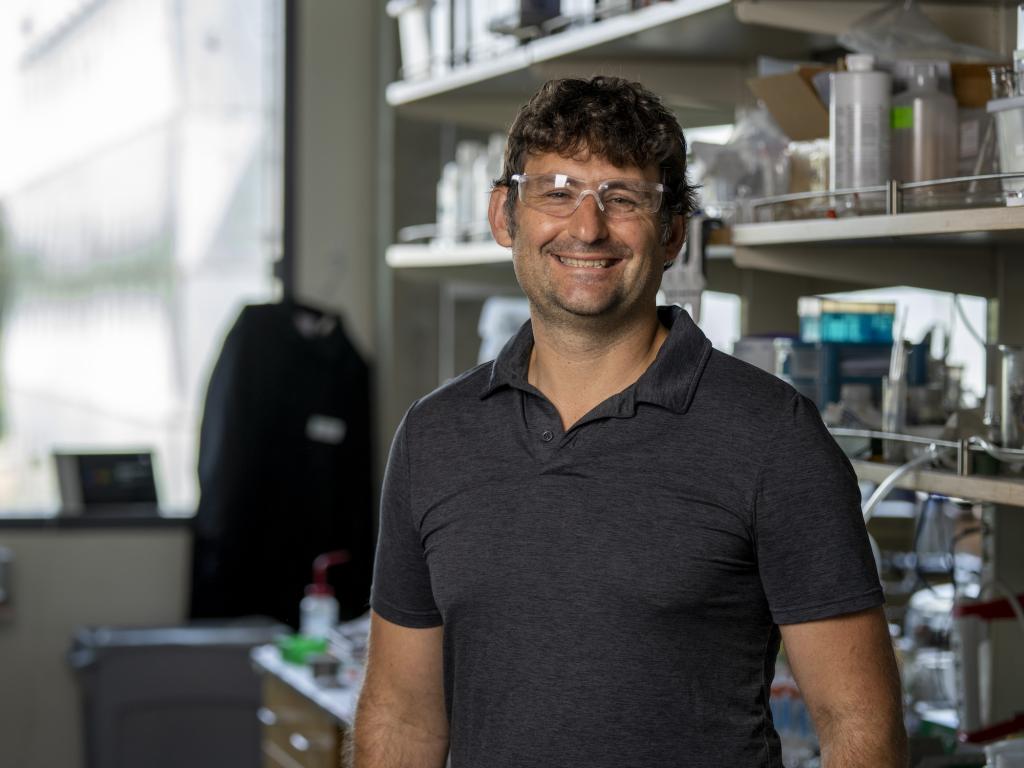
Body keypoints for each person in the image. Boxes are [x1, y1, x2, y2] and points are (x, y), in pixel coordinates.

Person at [354, 76, 907, 768]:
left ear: (673, 230)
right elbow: (403, 718)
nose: (586, 228)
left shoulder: (772, 437)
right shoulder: (435, 436)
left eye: (624, 198)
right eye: (557, 191)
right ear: (505, 215)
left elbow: (862, 731)